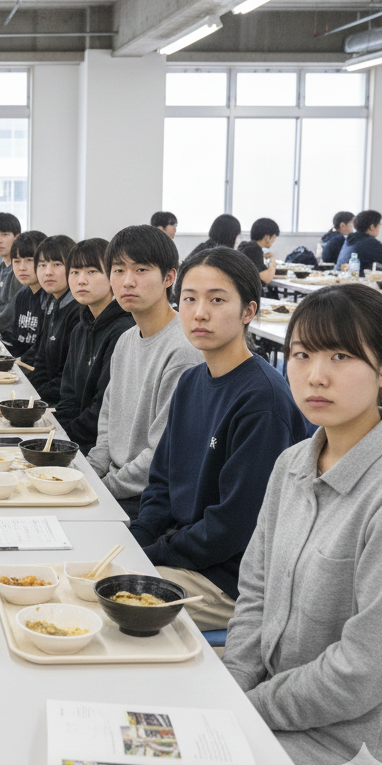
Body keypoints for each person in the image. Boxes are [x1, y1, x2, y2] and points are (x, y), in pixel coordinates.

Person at [225, 285, 382, 765]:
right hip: (269, 714)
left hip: (352, 758)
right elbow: (255, 593)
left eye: (341, 357)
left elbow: (363, 670)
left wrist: (248, 707)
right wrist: (233, 685)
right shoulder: (292, 464)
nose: (315, 376)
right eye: (302, 354)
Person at [128, 247, 309, 629]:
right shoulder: (191, 381)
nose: (199, 313)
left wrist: (153, 553)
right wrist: (138, 537)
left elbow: (232, 528)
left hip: (228, 580)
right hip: (183, 554)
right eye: (189, 299)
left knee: (105, 600)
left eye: (217, 300)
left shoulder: (262, 400)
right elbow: (161, 481)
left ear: (248, 311)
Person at [86, 225, 202, 519]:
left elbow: (161, 455)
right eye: (118, 270)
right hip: (114, 484)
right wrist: (88, 473)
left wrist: (102, 489)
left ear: (169, 277)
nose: (127, 281)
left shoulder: (183, 350)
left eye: (141, 270)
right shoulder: (126, 340)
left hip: (145, 500)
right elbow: (108, 422)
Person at [55, 238, 135, 453]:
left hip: (100, 447)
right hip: (74, 438)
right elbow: (68, 395)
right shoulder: (81, 328)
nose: (81, 280)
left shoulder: (123, 330)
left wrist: (64, 438)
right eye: (75, 272)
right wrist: (58, 433)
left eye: (91, 271)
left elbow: (104, 409)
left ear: (112, 276)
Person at [28, 234, 82, 407]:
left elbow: (67, 378)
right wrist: (30, 393)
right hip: (47, 397)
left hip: (62, 405)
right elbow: (41, 360)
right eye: (42, 265)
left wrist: (33, 397)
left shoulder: (79, 311)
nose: (48, 272)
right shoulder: (54, 302)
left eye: (57, 264)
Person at [0, 229, 47, 358]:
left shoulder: (51, 299)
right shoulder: (22, 295)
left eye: (30, 260)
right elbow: (17, 340)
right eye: (16, 261)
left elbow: (43, 351)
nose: (22, 268)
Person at [0, 212, 23, 333]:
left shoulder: (21, 271)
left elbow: (10, 315)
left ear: (17, 237)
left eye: (5, 234)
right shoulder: (0, 266)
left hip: (9, 336)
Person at [238, 216, 279, 286]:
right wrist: (272, 265)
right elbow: (266, 278)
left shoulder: (244, 245)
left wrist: (263, 256)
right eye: (274, 237)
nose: (274, 240)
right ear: (267, 237)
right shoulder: (255, 249)